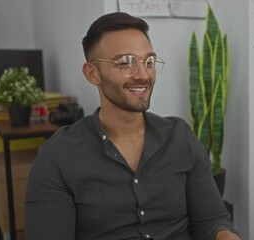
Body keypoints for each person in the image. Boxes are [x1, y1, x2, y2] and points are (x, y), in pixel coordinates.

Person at [25, 12, 240, 240]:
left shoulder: (180, 136)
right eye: (125, 62)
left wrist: (226, 236)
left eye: (149, 62)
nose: (143, 75)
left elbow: (212, 220)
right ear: (92, 73)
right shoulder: (58, 156)